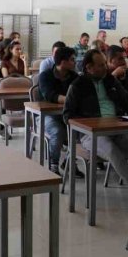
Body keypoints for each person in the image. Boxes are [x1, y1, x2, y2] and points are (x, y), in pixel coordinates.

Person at [63, 50, 128, 195]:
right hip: (90, 134)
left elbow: (127, 101)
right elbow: (67, 115)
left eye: (105, 63)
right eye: (100, 65)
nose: (105, 67)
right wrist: (88, 124)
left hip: (116, 128)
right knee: (112, 151)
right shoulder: (77, 86)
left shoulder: (111, 81)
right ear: (89, 67)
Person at [38, 46, 79, 174]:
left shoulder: (74, 76)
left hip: (67, 115)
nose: (75, 62)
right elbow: (50, 95)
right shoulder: (46, 75)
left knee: (81, 130)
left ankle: (68, 161)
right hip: (47, 116)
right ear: (63, 62)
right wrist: (70, 99)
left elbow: (80, 94)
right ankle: (53, 165)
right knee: (57, 131)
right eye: (72, 59)